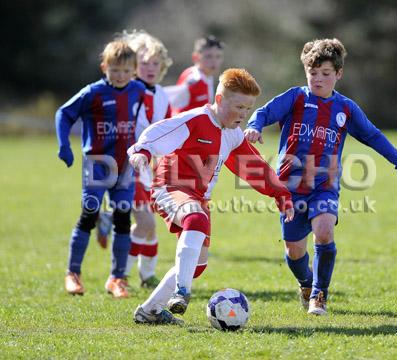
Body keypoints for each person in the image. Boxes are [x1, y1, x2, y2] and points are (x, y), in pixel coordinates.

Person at [244, 38, 397, 315]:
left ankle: (319, 295)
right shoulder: (296, 97)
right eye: (312, 73)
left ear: (338, 74)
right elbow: (264, 113)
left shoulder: (346, 108)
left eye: (325, 74)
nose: (318, 79)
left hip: (324, 186)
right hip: (290, 186)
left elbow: (372, 135)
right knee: (294, 251)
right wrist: (254, 127)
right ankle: (306, 283)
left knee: (324, 232)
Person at [128, 68, 295, 325]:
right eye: (238, 106)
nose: (242, 114)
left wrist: (281, 193)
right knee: (196, 219)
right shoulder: (195, 119)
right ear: (219, 100)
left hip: (198, 197)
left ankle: (149, 311)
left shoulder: (233, 134)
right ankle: (181, 293)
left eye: (247, 109)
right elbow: (158, 132)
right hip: (170, 187)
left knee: (197, 265)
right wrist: (142, 151)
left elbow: (255, 168)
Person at [55, 39, 148, 298]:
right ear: (104, 67)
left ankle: (117, 279)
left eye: (126, 71)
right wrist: (65, 145)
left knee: (121, 219)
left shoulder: (139, 91)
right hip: (97, 164)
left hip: (124, 166)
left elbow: (143, 123)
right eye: (114, 70)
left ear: (134, 71)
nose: (120, 76)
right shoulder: (93, 93)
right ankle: (73, 274)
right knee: (90, 214)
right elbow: (63, 114)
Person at [96, 30, 173, 289]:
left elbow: (168, 128)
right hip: (127, 166)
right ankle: (118, 276)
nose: (150, 68)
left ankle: (147, 275)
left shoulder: (162, 94)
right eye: (144, 63)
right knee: (146, 222)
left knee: (151, 227)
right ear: (132, 65)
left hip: (151, 168)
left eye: (155, 63)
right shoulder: (126, 93)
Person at [164, 35, 224, 115]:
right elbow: (165, 100)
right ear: (196, 57)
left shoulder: (208, 77)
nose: (214, 61)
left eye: (218, 57)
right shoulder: (195, 79)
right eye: (209, 56)